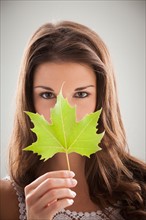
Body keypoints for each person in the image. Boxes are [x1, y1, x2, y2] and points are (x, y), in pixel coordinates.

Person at [0, 20, 146, 220]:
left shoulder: (141, 186)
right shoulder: (5, 198)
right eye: (47, 95)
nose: (64, 112)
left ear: (101, 99)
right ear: (28, 101)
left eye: (81, 94)